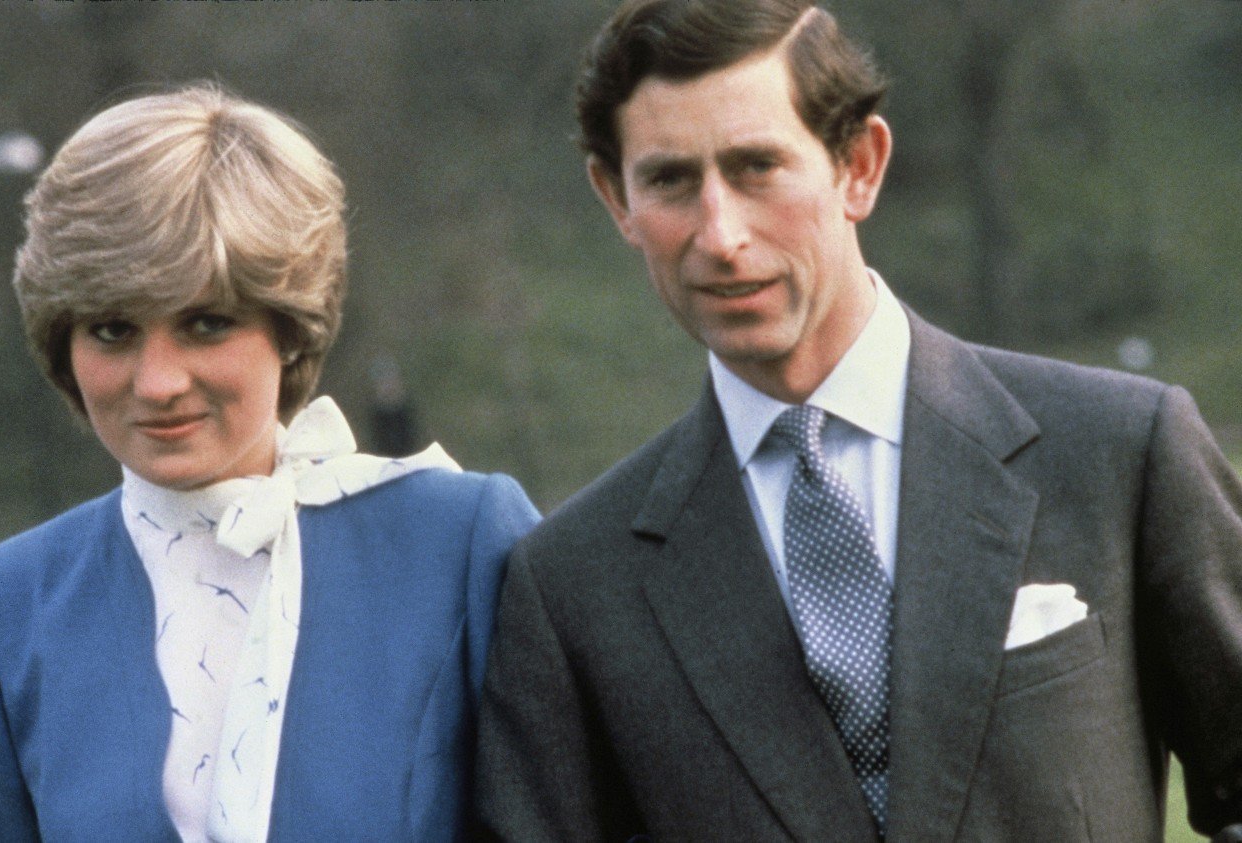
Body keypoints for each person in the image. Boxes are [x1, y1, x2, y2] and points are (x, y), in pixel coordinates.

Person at [474, 1, 1242, 839]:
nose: (721, 235)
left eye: (757, 166)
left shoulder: (1120, 453)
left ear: (860, 166)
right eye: (669, 180)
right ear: (613, 195)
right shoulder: (573, 588)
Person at [0, 84, 540, 842]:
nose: (158, 380)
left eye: (206, 323)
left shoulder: (461, 542)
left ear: (289, 327)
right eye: (112, 330)